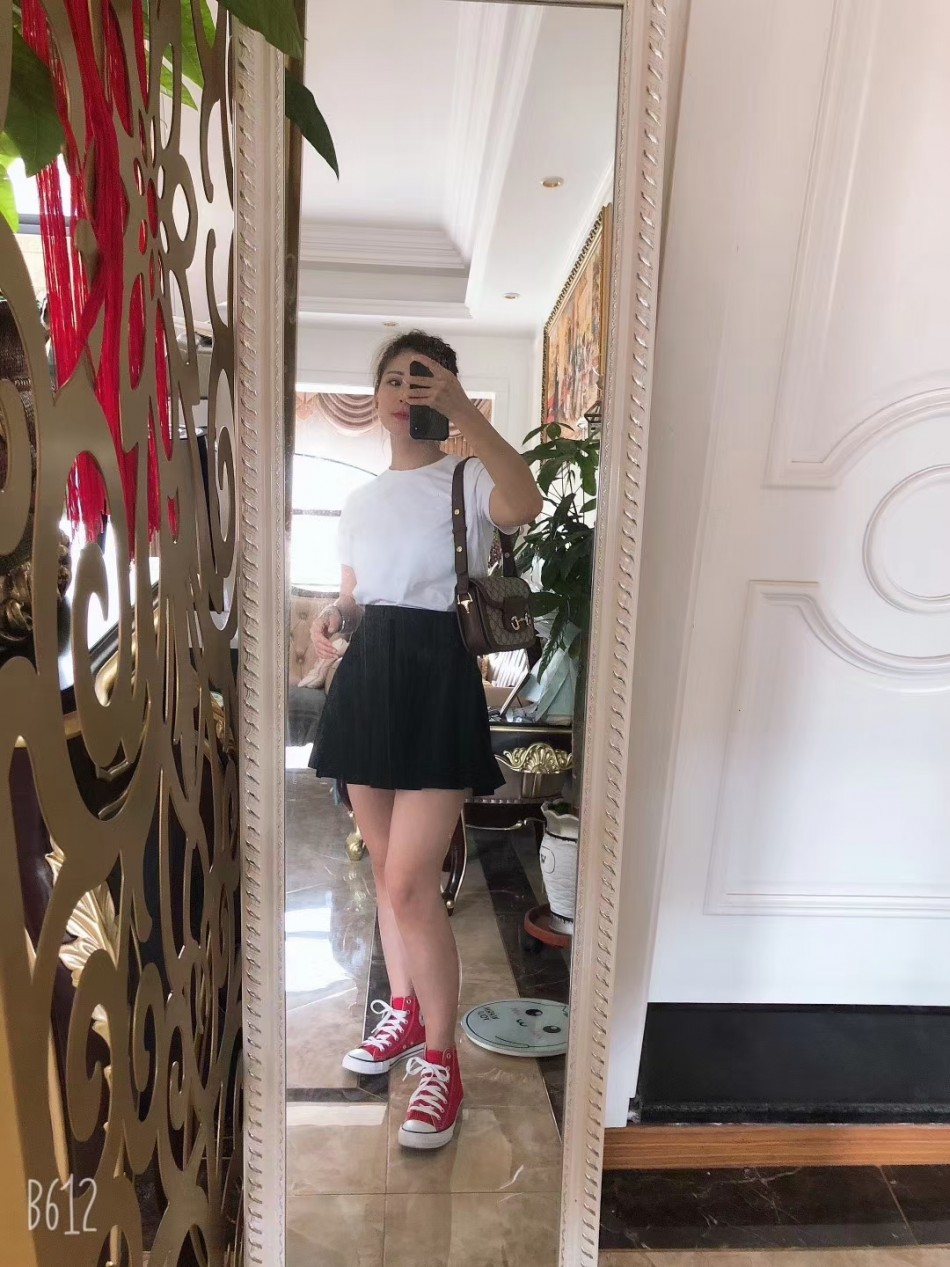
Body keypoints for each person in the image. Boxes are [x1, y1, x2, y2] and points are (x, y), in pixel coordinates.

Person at [308, 331, 542, 1150]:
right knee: (384, 873)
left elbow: (526, 503)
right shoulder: (360, 501)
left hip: (439, 676)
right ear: (376, 399)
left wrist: (467, 415)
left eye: (423, 379)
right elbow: (357, 597)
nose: (405, 391)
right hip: (369, 676)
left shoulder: (468, 478)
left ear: (445, 391)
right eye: (394, 380)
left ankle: (442, 1061)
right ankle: (404, 1013)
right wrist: (335, 614)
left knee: (412, 882)